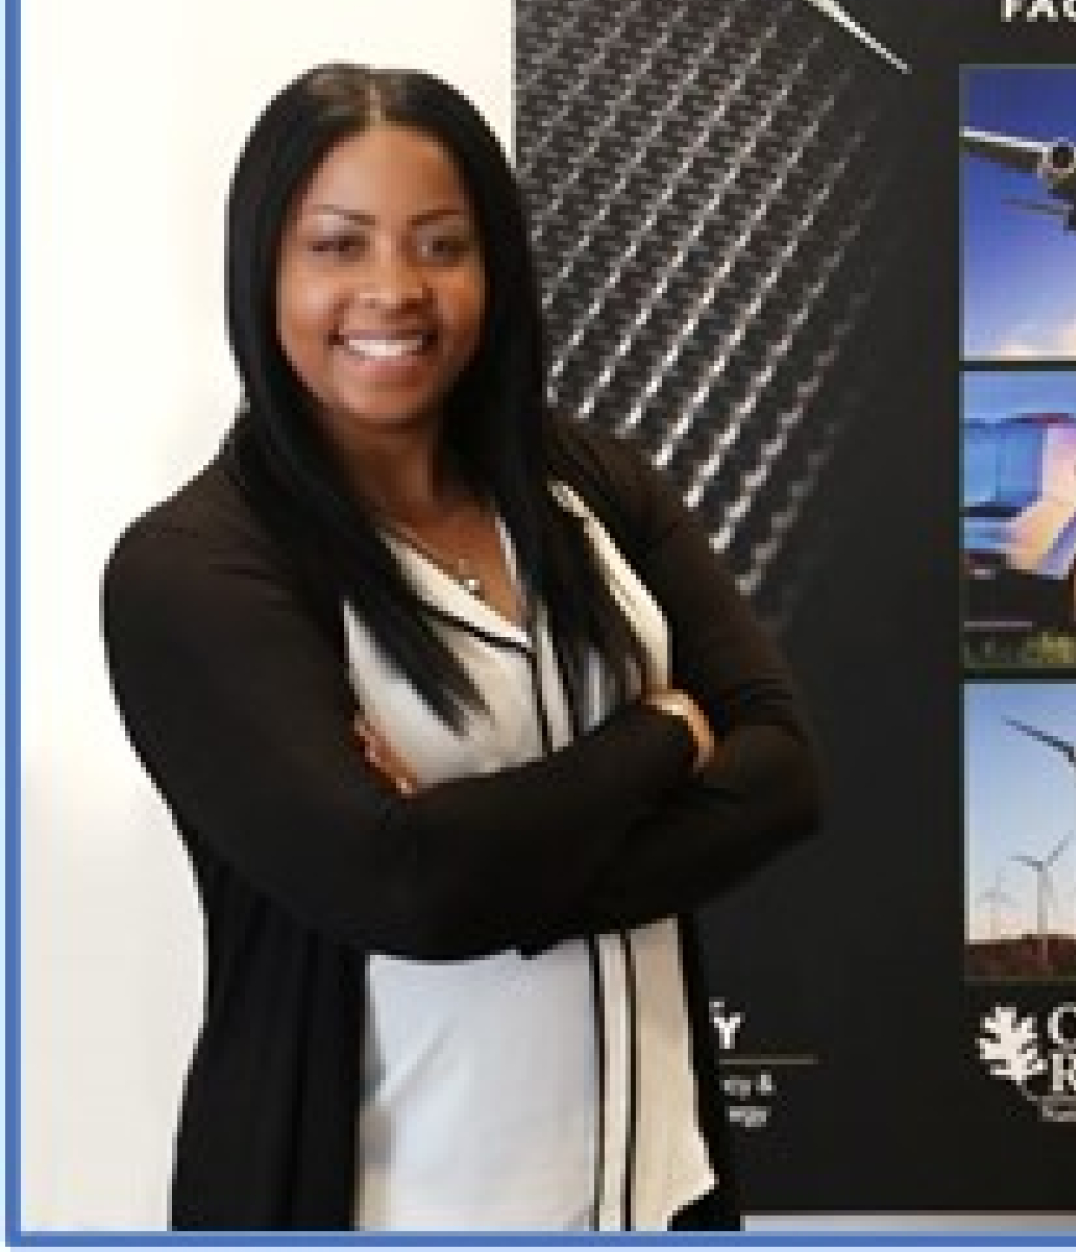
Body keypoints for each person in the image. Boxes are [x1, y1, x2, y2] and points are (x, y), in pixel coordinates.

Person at [101, 63, 822, 1231]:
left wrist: (482, 863)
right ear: (263, 268)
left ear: (496, 267)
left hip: (658, 1193)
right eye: (338, 245)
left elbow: (785, 771)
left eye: (441, 244)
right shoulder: (195, 570)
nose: (394, 289)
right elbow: (402, 888)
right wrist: (667, 732)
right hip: (387, 1205)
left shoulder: (595, 485)